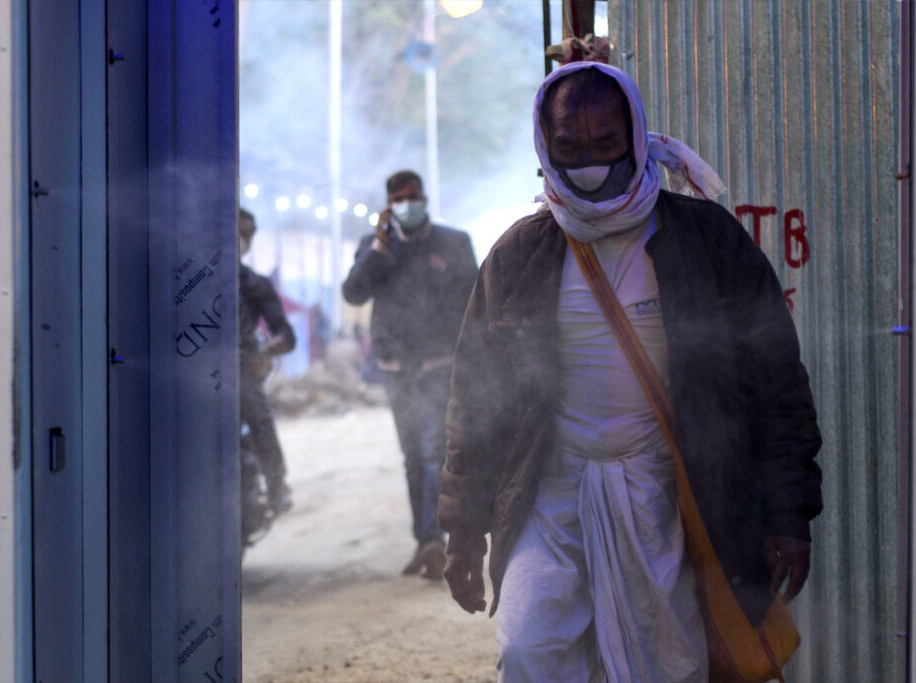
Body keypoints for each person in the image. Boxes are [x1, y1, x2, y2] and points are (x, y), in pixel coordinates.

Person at [437, 61, 822, 681]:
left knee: (668, 666)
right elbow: (477, 400)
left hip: (670, 494)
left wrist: (788, 513)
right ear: (545, 148)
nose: (588, 162)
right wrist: (463, 530)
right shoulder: (520, 255)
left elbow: (776, 383)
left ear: (636, 137)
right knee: (529, 650)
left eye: (605, 144)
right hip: (550, 491)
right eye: (569, 147)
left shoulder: (707, 241)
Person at [342, 170, 479, 580]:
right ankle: (425, 541)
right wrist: (380, 248)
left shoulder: (453, 243)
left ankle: (436, 538)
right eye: (399, 198)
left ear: (425, 198)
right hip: (395, 370)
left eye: (413, 196)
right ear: (388, 205)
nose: (408, 203)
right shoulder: (374, 247)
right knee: (411, 457)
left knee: (434, 450)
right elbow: (353, 293)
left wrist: (473, 358)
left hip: (439, 366)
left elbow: (474, 300)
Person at [239, 208, 296, 514]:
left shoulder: (254, 284)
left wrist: (262, 352)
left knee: (259, 417)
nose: (238, 238)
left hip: (240, 374)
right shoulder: (189, 279)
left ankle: (276, 485)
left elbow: (286, 335)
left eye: (245, 233)